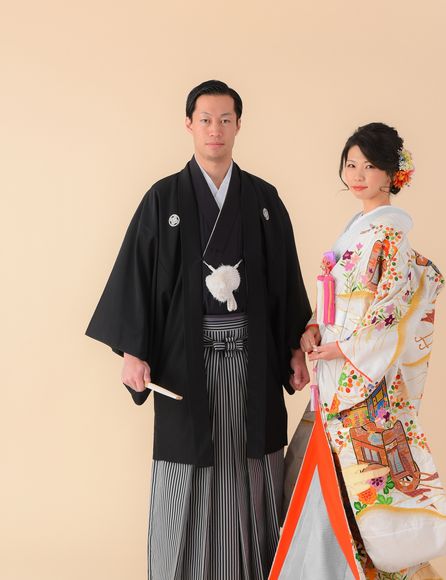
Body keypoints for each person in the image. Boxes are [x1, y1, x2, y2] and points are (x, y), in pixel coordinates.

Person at [86, 80, 311, 580]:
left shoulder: (263, 199)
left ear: (238, 125)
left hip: (253, 363)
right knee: (185, 475)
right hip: (185, 365)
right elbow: (137, 276)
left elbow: (285, 283)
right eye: (205, 119)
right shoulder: (163, 198)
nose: (215, 129)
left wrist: (294, 349)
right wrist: (133, 351)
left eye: (225, 119)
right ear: (188, 124)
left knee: (253, 472)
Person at [293, 123, 446, 578]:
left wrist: (346, 348)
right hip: (338, 373)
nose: (357, 175)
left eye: (369, 166)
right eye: (351, 165)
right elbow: (337, 297)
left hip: (361, 382)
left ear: (391, 173)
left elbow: (392, 308)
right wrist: (314, 327)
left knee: (370, 496)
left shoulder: (390, 235)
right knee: (339, 489)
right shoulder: (359, 231)